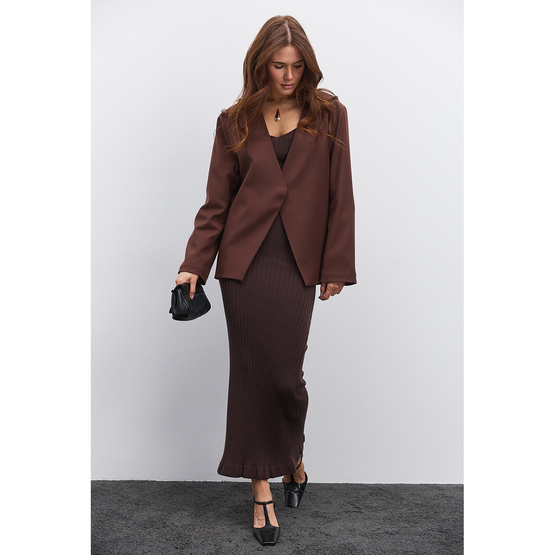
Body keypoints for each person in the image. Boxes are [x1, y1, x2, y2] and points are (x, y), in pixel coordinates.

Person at [175, 15, 356, 547]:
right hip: (243, 264)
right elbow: (217, 201)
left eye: (297, 66)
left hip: (298, 262)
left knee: (285, 378)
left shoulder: (330, 114)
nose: (289, 76)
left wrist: (336, 266)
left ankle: (292, 459)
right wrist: (193, 263)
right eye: (278, 66)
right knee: (252, 376)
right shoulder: (233, 121)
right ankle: (261, 492)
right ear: (260, 65)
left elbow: (340, 193)